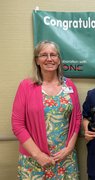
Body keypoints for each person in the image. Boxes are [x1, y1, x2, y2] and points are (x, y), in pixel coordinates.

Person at [11, 40, 81, 179]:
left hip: (65, 160)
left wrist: (69, 148)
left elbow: (77, 118)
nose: (49, 59)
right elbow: (17, 125)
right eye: (44, 55)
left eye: (53, 55)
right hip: (34, 161)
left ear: (59, 60)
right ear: (37, 60)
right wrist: (38, 155)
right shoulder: (26, 86)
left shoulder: (69, 85)